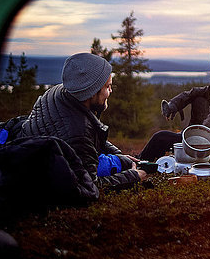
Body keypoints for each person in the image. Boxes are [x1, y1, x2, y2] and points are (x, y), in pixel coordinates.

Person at [20, 52, 148, 189]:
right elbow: (90, 187)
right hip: (38, 181)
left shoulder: (60, 91)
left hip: (29, 157)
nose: (110, 91)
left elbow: (90, 139)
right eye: (107, 86)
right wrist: (133, 176)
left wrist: (119, 155)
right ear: (92, 91)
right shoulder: (78, 131)